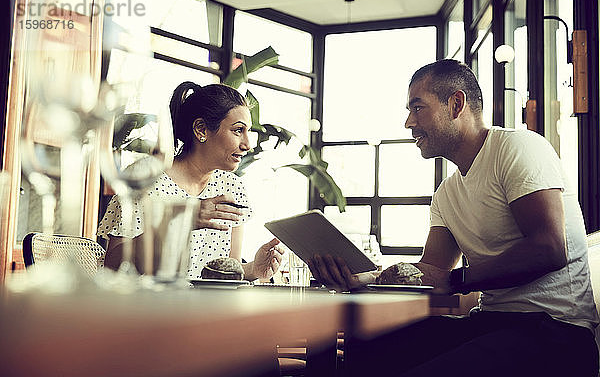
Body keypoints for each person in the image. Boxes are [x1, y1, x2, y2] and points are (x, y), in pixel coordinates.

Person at [308, 59, 599, 376]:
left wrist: (455, 280)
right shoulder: (446, 194)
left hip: (555, 331)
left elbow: (549, 249)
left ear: (456, 103)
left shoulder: (518, 147)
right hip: (490, 322)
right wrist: (364, 280)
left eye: (417, 108)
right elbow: (430, 273)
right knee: (354, 347)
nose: (408, 122)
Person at [98, 82, 284, 281]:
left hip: (208, 310)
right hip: (149, 307)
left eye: (248, 132)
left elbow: (228, 273)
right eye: (238, 130)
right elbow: (113, 267)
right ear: (201, 129)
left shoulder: (232, 187)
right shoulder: (147, 178)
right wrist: (181, 220)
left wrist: (254, 269)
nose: (247, 144)